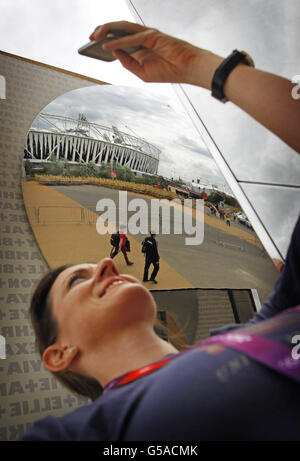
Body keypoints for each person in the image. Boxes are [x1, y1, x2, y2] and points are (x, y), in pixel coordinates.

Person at [18, 21, 300, 441]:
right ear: (60, 354)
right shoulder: (95, 431)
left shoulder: (257, 328)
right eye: (77, 279)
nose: (107, 265)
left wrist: (198, 66)